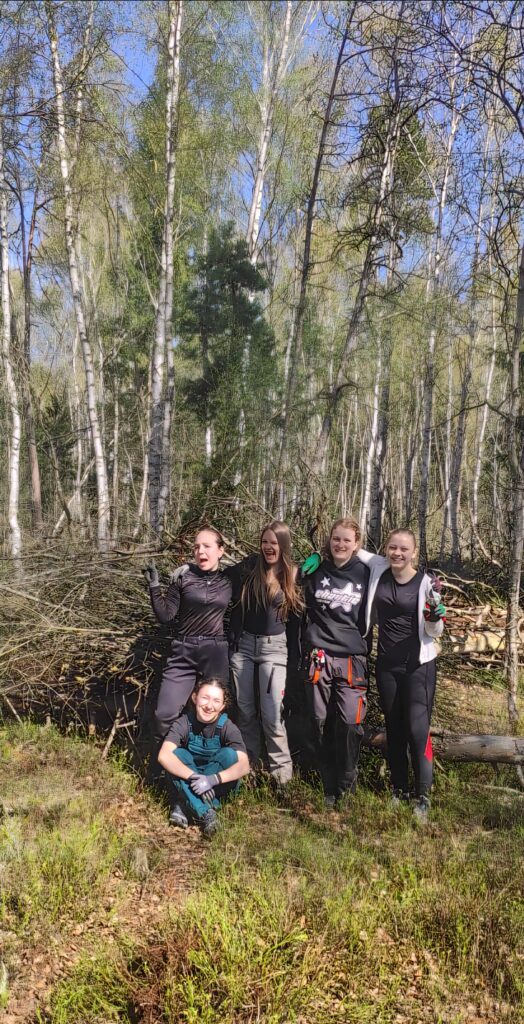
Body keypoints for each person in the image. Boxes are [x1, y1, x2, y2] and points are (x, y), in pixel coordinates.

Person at [356, 529, 445, 823]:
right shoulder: (380, 568)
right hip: (387, 665)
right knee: (394, 729)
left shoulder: (426, 583)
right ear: (386, 549)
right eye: (392, 547)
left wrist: (435, 617)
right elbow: (348, 546)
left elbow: (435, 631)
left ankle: (423, 797)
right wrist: (321, 554)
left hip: (419, 666)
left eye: (404, 549)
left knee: (418, 731)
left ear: (414, 552)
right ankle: (399, 790)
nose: (397, 553)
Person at [300, 517, 371, 806]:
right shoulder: (317, 570)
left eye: (346, 540)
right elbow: (290, 587)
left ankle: (347, 781)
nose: (340, 544)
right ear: (329, 541)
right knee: (318, 722)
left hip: (352, 657)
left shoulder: (368, 573)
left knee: (350, 723)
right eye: (336, 539)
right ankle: (328, 784)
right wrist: (313, 558)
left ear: (356, 544)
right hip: (319, 656)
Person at [226, 522, 303, 785]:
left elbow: (296, 622)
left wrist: (295, 658)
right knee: (245, 710)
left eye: (274, 543)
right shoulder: (249, 567)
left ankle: (281, 774)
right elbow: (220, 575)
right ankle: (248, 762)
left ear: (284, 545)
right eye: (265, 542)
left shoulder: (293, 574)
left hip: (275, 649)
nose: (269, 548)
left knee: (272, 714)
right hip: (245, 646)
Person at [144, 527, 232, 739]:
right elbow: (166, 615)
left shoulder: (230, 579)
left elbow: (257, 564)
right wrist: (154, 586)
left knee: (214, 713)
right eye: (196, 547)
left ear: (221, 550)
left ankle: (206, 761)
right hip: (184, 651)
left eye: (207, 546)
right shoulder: (183, 578)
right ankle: (168, 764)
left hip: (215, 653)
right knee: (164, 714)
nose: (201, 551)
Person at [158, 677, 250, 836]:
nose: (209, 705)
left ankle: (185, 805)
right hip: (189, 780)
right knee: (177, 754)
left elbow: (244, 765)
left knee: (229, 754)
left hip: (217, 786)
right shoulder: (183, 723)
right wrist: (194, 777)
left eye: (216, 701)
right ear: (195, 698)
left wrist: (212, 780)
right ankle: (208, 812)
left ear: (222, 706)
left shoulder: (228, 727)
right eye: (205, 698)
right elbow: (164, 756)